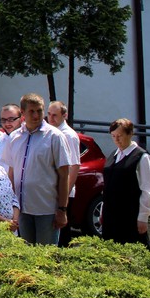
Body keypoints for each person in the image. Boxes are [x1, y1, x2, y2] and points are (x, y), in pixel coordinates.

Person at [1, 93, 71, 245]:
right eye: (31, 111)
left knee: (45, 255)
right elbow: (11, 173)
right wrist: (11, 206)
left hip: (47, 210)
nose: (36, 115)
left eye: (39, 111)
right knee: (27, 255)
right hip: (22, 210)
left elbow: (64, 175)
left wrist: (62, 209)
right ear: (22, 113)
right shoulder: (14, 138)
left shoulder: (55, 137)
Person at [101, 118, 150, 249]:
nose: (116, 140)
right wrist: (103, 210)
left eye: (120, 136)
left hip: (130, 215)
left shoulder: (142, 157)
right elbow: (107, 187)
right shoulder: (113, 155)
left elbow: (147, 189)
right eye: (113, 136)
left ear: (130, 134)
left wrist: (143, 217)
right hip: (111, 215)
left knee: (133, 251)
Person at [46, 100, 81, 246]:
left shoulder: (69, 135)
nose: (51, 118)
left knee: (62, 232)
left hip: (64, 193)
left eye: (55, 115)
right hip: (53, 190)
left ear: (64, 115)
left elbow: (74, 166)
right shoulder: (51, 132)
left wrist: (64, 195)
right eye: (49, 114)